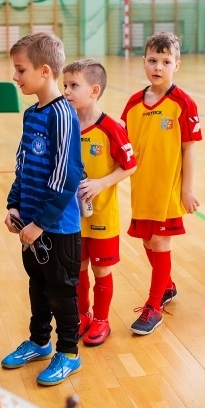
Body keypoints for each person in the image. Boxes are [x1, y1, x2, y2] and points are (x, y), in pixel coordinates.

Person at [1, 33, 83, 385]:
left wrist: (41, 223)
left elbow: (67, 175)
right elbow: (23, 165)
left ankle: (68, 352)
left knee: (62, 292)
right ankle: (39, 342)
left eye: (20, 70)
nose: (15, 77)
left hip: (57, 228)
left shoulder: (63, 116)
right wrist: (14, 205)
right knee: (38, 284)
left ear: (45, 70)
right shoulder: (30, 114)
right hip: (31, 225)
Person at [121, 31, 202, 335]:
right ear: (144, 62)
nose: (158, 67)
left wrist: (187, 189)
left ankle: (154, 307)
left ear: (176, 66)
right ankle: (166, 285)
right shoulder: (132, 104)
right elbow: (124, 146)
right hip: (142, 187)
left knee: (159, 242)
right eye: (153, 60)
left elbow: (189, 148)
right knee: (146, 241)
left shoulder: (183, 103)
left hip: (168, 187)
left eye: (165, 61)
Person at [62, 59, 137, 346]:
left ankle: (102, 319)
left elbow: (130, 165)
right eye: (64, 85)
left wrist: (100, 183)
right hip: (71, 215)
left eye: (73, 86)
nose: (66, 91)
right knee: (77, 268)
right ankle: (84, 314)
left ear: (94, 91)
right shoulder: (66, 124)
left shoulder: (111, 128)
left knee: (100, 269)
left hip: (102, 214)